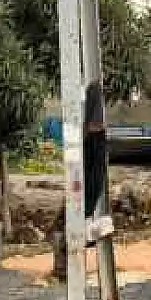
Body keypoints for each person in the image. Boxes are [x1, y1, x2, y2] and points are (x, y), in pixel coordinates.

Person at [51, 82, 117, 281]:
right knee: (88, 199)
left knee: (87, 200)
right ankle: (71, 255)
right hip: (91, 145)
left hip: (90, 144)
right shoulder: (93, 137)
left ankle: (69, 257)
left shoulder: (90, 135)